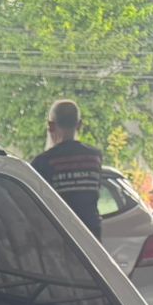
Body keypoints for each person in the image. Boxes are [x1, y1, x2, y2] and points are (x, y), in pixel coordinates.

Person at [29, 99, 104, 240]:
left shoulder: (43, 162)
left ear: (51, 126)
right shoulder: (95, 157)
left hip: (60, 235)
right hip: (91, 235)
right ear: (79, 124)